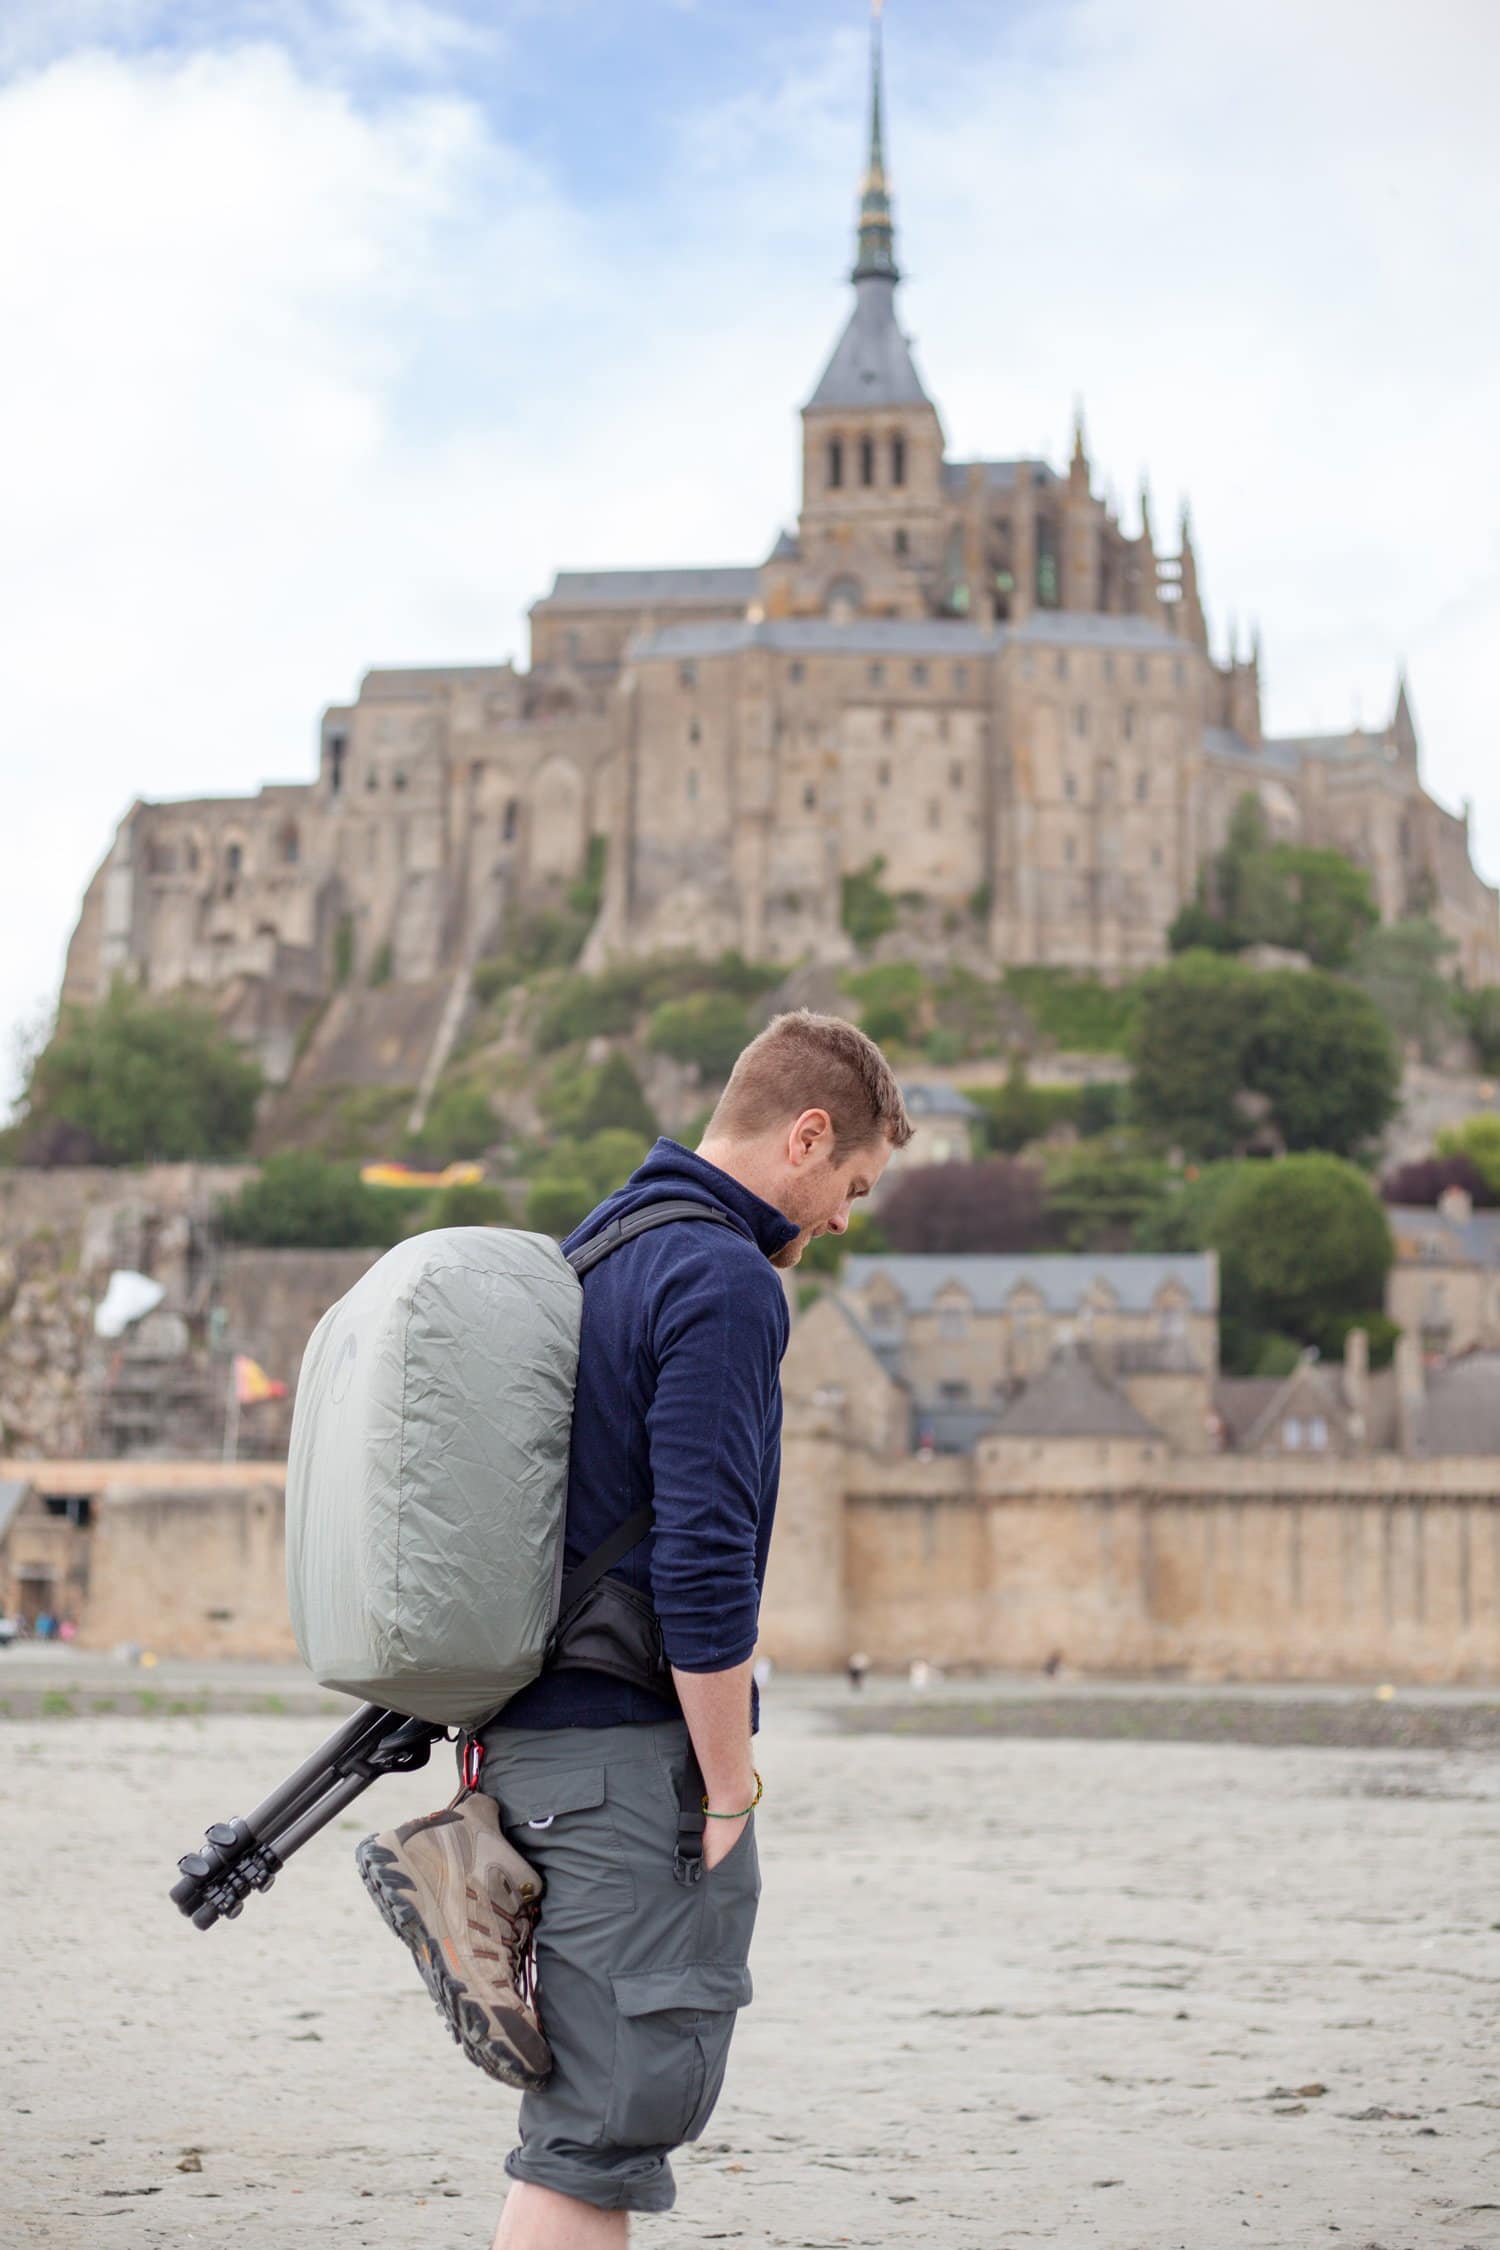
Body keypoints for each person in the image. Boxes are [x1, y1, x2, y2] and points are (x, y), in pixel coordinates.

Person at [363, 1010, 910, 2244]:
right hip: (622, 1763)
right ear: (806, 1133)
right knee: (605, 2130)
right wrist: (729, 1793)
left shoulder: (598, 1246)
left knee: (578, 2126)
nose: (840, 1219)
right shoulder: (719, 1278)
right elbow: (705, 1562)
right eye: (851, 1185)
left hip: (529, 1745)